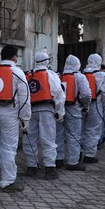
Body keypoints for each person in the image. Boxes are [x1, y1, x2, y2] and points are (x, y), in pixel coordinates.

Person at [0, 45, 31, 192]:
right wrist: (25, 118)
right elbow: (24, 97)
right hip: (9, 114)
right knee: (8, 148)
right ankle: (8, 181)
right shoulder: (17, 72)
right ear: (14, 57)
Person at [22, 52, 65, 180]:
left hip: (30, 110)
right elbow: (59, 94)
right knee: (48, 139)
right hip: (47, 110)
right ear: (47, 62)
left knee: (30, 138)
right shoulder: (51, 75)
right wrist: (60, 112)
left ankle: (32, 166)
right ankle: (49, 168)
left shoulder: (28, 75)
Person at [55, 55, 91, 171]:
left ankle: (58, 159)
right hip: (74, 109)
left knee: (58, 135)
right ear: (78, 64)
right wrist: (85, 106)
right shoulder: (80, 77)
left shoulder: (59, 76)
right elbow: (86, 94)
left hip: (59, 108)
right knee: (74, 135)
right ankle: (73, 162)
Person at [81, 54, 105, 163]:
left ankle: (76, 154)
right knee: (93, 130)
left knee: (79, 130)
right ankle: (89, 155)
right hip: (96, 106)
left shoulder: (81, 74)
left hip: (80, 106)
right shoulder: (103, 75)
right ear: (99, 62)